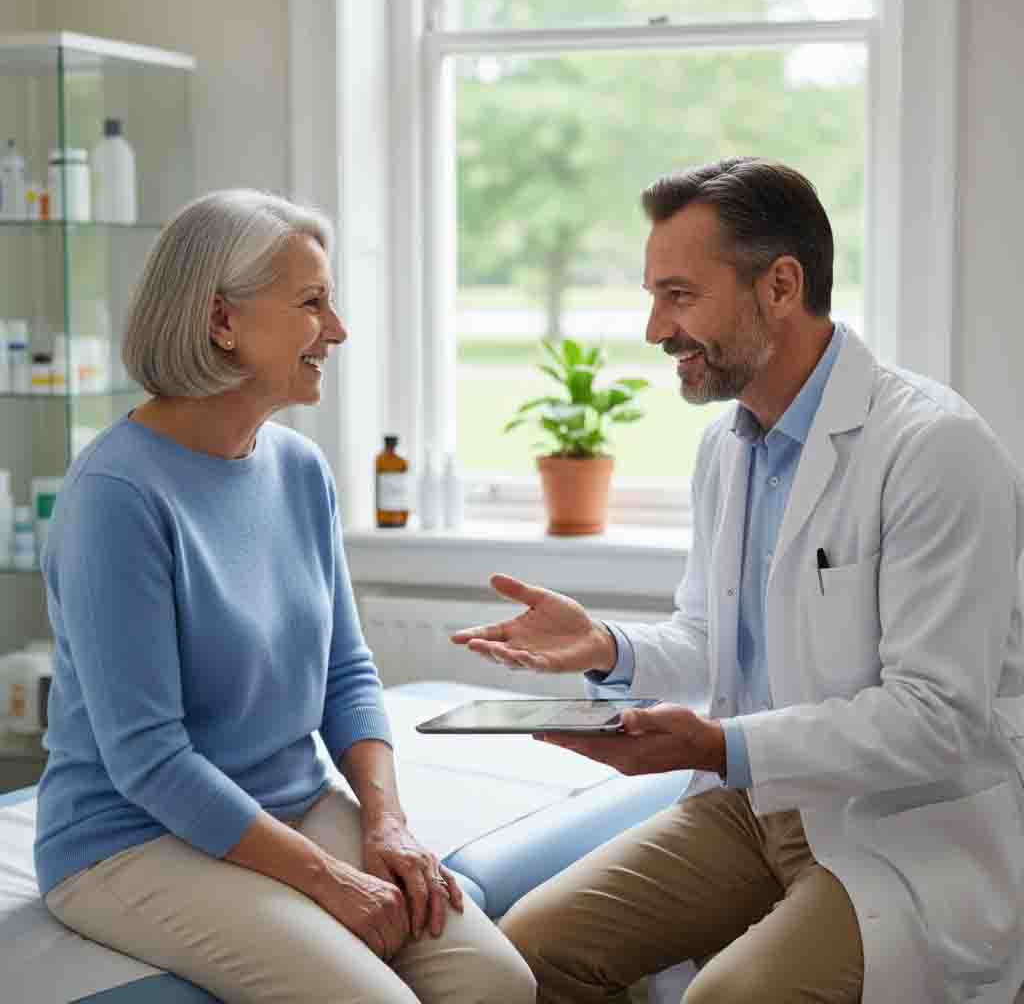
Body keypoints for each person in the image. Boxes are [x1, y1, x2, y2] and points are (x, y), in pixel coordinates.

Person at [452, 158, 1024, 1003]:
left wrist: (722, 745)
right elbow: (714, 640)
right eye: (653, 296)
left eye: (678, 296)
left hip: (900, 824)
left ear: (782, 285)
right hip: (753, 805)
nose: (654, 329)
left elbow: (937, 720)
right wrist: (608, 646)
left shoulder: (932, 450)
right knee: (527, 954)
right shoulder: (730, 448)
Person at [34, 190, 535, 1004]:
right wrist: (332, 883)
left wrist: (385, 821)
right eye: (312, 303)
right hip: (128, 840)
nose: (335, 330)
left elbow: (345, 673)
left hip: (291, 805)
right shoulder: (115, 497)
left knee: (495, 981)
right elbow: (149, 760)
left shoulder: (299, 470)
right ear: (222, 320)